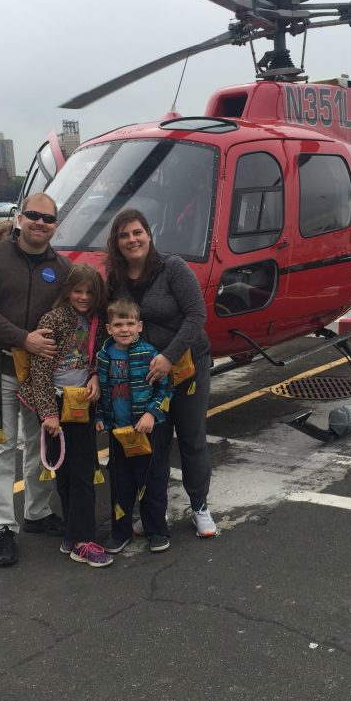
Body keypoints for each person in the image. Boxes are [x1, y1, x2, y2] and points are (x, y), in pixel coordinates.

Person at [0, 192, 73, 567]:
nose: (39, 223)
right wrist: (22, 337)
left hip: (39, 376)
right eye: (33, 215)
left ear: (55, 225)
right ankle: (3, 527)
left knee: (39, 445)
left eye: (48, 219)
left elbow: (77, 309)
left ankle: (38, 512)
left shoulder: (61, 268)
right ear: (19, 218)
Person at [104, 208, 217, 538]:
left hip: (186, 367)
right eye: (124, 235)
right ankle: (155, 512)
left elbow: (196, 316)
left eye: (137, 232)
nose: (131, 239)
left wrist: (169, 356)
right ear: (116, 243)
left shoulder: (173, 268)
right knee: (155, 444)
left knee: (192, 437)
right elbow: (108, 326)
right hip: (146, 376)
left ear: (149, 235)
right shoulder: (116, 280)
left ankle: (200, 507)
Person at [17, 264, 111, 568]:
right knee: (75, 474)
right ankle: (83, 541)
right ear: (67, 291)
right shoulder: (54, 319)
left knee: (77, 471)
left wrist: (95, 374)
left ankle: (73, 534)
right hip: (56, 407)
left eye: (89, 292)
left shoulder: (96, 319)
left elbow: (95, 356)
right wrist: (48, 414)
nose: (83, 297)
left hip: (81, 402)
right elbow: (40, 371)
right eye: (77, 291)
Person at [94, 298, 173, 554]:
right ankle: (121, 531)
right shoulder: (104, 356)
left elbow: (165, 388)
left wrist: (151, 413)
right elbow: (102, 393)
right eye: (119, 324)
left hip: (146, 431)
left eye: (130, 323)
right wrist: (100, 418)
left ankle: (157, 530)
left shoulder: (150, 354)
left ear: (139, 326)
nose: (124, 329)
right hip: (119, 433)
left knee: (151, 482)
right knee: (120, 485)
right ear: (109, 328)